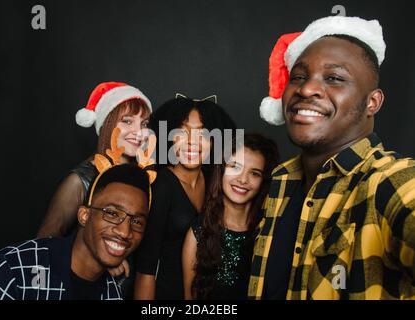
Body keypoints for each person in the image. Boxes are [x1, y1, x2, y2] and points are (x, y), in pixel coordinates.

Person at [250, 16, 415, 300]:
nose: (305, 89)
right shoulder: (278, 181)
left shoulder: (387, 182)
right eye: (299, 77)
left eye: (334, 78)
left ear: (372, 102)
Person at [0, 163, 152, 300]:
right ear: (84, 215)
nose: (125, 231)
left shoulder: (113, 294)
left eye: (136, 222)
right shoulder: (14, 271)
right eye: (111, 213)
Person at [134, 95, 237, 300]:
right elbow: (146, 267)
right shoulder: (162, 185)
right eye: (182, 131)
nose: (192, 141)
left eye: (203, 133)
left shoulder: (213, 181)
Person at [38, 81, 152, 237]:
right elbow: (46, 240)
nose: (139, 132)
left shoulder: (143, 176)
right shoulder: (79, 181)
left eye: (144, 123)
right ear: (106, 124)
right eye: (127, 121)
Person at [182, 133, 279, 300]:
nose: (242, 179)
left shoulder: (269, 232)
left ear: (263, 181)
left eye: (254, 173)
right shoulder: (198, 233)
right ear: (222, 169)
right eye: (235, 166)